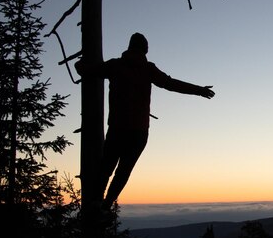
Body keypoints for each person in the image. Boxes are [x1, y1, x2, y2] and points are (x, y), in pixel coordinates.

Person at [75, 32, 215, 212]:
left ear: (129, 47)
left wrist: (80, 64)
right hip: (139, 131)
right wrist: (199, 90)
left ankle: (96, 200)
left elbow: (87, 70)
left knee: (106, 166)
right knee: (123, 171)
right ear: (145, 49)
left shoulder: (115, 65)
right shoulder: (148, 69)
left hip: (117, 127)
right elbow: (171, 84)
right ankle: (107, 205)